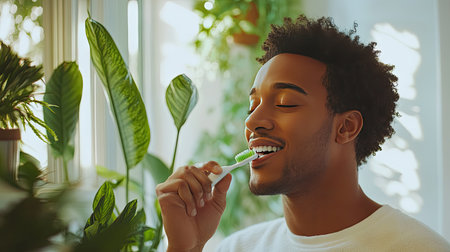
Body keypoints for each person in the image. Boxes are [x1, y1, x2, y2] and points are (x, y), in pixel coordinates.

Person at [156, 15, 450, 252]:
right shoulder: (236, 247)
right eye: (252, 105)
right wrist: (186, 248)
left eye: (285, 102)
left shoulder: (417, 248)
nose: (253, 121)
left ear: (346, 127)